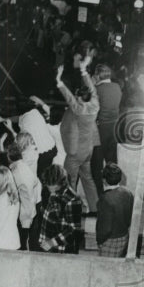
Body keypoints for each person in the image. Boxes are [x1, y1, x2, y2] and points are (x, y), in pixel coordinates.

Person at [56, 57, 100, 214]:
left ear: (81, 98)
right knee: (88, 179)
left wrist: (59, 81)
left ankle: (71, 210)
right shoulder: (95, 105)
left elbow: (69, 97)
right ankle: (95, 208)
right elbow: (92, 89)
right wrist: (83, 71)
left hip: (76, 152)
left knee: (70, 181)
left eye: (78, 97)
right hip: (88, 149)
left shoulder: (78, 109)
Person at [38, 165, 83, 254]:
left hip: (61, 250)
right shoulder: (49, 191)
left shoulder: (72, 200)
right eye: (48, 185)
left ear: (62, 183)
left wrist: (52, 242)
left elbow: (74, 230)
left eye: (54, 187)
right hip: (47, 246)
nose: (51, 189)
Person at [90, 64, 122, 184]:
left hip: (101, 128)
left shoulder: (97, 90)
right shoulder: (117, 87)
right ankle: (114, 185)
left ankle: (99, 192)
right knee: (112, 159)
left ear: (98, 76)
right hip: (114, 127)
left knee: (96, 163)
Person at [7, 141, 42, 251]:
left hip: (26, 213)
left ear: (8, 156)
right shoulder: (21, 165)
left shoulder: (18, 172)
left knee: (22, 243)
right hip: (31, 206)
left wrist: (25, 221)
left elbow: (27, 199)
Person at [96, 163, 133, 257]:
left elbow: (105, 228)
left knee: (104, 268)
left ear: (104, 180)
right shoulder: (128, 193)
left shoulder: (105, 198)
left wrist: (100, 241)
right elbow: (129, 218)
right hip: (124, 236)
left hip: (110, 240)